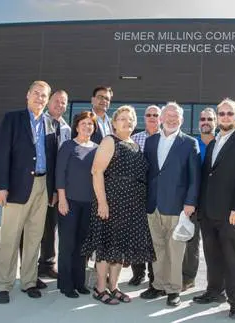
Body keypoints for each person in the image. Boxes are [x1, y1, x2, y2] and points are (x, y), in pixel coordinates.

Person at [193, 99, 235, 320]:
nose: (224, 117)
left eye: (229, 113)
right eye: (221, 114)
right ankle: (215, 291)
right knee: (212, 256)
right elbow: (206, 178)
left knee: (233, 258)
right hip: (209, 212)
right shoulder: (213, 143)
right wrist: (200, 208)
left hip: (232, 214)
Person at [82, 105, 155, 305]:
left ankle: (113, 287)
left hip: (131, 206)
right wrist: (102, 203)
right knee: (106, 247)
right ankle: (99, 288)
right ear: (114, 123)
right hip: (111, 203)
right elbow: (96, 172)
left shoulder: (135, 145)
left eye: (130, 118)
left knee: (119, 249)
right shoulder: (109, 141)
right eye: (122, 118)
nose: (127, 122)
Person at [0, 80, 58, 304]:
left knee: (34, 236)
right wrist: (0, 186)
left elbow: (53, 159)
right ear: (27, 95)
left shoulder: (51, 123)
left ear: (47, 100)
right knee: (10, 237)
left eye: (44, 95)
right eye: (36, 94)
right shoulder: (12, 119)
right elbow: (1, 154)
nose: (40, 98)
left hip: (42, 187)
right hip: (17, 187)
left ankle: (29, 281)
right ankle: (4, 284)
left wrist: (53, 190)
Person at [140, 102, 201, 307]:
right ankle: (158, 285)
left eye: (176, 117)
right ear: (161, 118)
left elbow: (195, 177)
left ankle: (174, 289)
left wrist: (190, 202)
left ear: (181, 120)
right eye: (168, 116)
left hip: (177, 206)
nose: (172, 119)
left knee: (175, 250)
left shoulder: (189, 143)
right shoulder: (151, 142)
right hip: (153, 205)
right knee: (157, 248)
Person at [56, 111, 98, 298]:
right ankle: (66, 284)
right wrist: (62, 199)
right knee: (68, 244)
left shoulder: (97, 149)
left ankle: (79, 282)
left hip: (89, 204)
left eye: (90, 124)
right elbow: (60, 174)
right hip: (70, 202)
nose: (87, 127)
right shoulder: (68, 146)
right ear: (76, 126)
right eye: (84, 123)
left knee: (83, 246)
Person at [37, 89, 71, 279]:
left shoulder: (66, 128)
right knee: (36, 227)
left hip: (59, 186)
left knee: (51, 226)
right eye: (56, 101)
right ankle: (31, 267)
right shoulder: (40, 123)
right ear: (49, 102)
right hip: (41, 183)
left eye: (63, 102)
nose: (60, 105)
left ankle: (47, 264)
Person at [182, 107, 217, 291]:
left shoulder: (221, 143)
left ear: (215, 122)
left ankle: (215, 284)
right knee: (191, 242)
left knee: (213, 245)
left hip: (215, 203)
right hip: (194, 201)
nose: (205, 122)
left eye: (209, 119)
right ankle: (188, 278)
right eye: (202, 119)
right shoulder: (191, 143)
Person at [128, 104, 161, 286]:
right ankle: (138, 272)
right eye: (149, 114)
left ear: (161, 118)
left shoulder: (164, 138)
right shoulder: (135, 139)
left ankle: (154, 276)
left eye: (155, 115)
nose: (152, 117)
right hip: (137, 194)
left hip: (157, 193)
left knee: (154, 236)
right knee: (137, 235)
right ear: (144, 118)